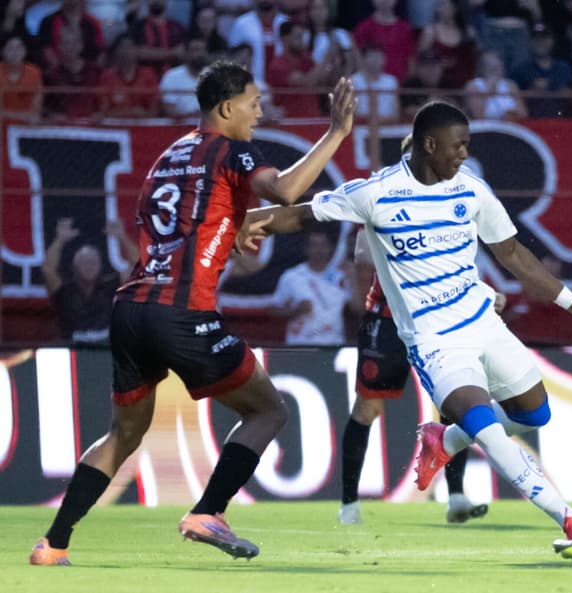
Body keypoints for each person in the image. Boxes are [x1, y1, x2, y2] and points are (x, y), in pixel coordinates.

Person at [237, 100, 572, 566]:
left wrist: (569, 299)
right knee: (489, 429)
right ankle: (571, 523)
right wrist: (254, 221)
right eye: (458, 146)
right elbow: (305, 214)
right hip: (434, 341)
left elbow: (513, 252)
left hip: (483, 322)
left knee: (536, 415)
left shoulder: (471, 191)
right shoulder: (377, 192)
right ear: (429, 145)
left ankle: (446, 439)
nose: (464, 154)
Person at [28, 63, 357, 566]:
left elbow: (195, 219)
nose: (260, 112)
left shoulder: (170, 155)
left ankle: (53, 544)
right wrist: (336, 132)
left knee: (123, 434)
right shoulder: (232, 149)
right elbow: (286, 192)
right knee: (268, 409)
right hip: (181, 312)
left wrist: (242, 225)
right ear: (227, 109)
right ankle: (208, 511)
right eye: (253, 103)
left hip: (131, 306)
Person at [339, 226, 495, 524]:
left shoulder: (441, 210)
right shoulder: (382, 202)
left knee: (456, 403)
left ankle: (457, 497)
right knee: (367, 409)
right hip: (387, 322)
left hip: (436, 321)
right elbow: (362, 253)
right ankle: (348, 504)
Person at [42, 218, 138, 344]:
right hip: (72, 349)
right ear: (74, 267)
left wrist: (122, 236)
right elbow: (47, 269)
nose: (89, 266)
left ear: (100, 266)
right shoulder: (63, 290)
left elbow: (138, 266)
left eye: (93, 262)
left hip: (105, 350)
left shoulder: (111, 286)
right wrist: (59, 240)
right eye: (84, 262)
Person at [271, 227, 353, 345]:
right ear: (306, 248)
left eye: (323, 245)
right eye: (314, 245)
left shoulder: (340, 276)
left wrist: (354, 276)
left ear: (331, 248)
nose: (319, 250)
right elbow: (274, 310)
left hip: (333, 345)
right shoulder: (292, 276)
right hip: (300, 345)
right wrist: (295, 310)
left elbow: (355, 309)